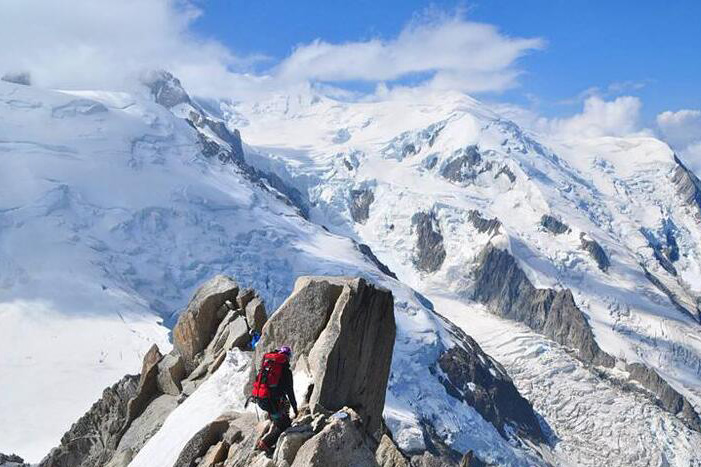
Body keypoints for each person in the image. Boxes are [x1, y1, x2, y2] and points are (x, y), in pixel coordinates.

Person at [252, 346, 298, 455]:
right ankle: (265, 443)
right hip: (271, 402)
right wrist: (295, 408)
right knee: (284, 425)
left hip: (260, 398)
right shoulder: (285, 371)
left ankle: (272, 433)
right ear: (287, 358)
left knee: (280, 419)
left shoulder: (268, 366)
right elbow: (290, 392)